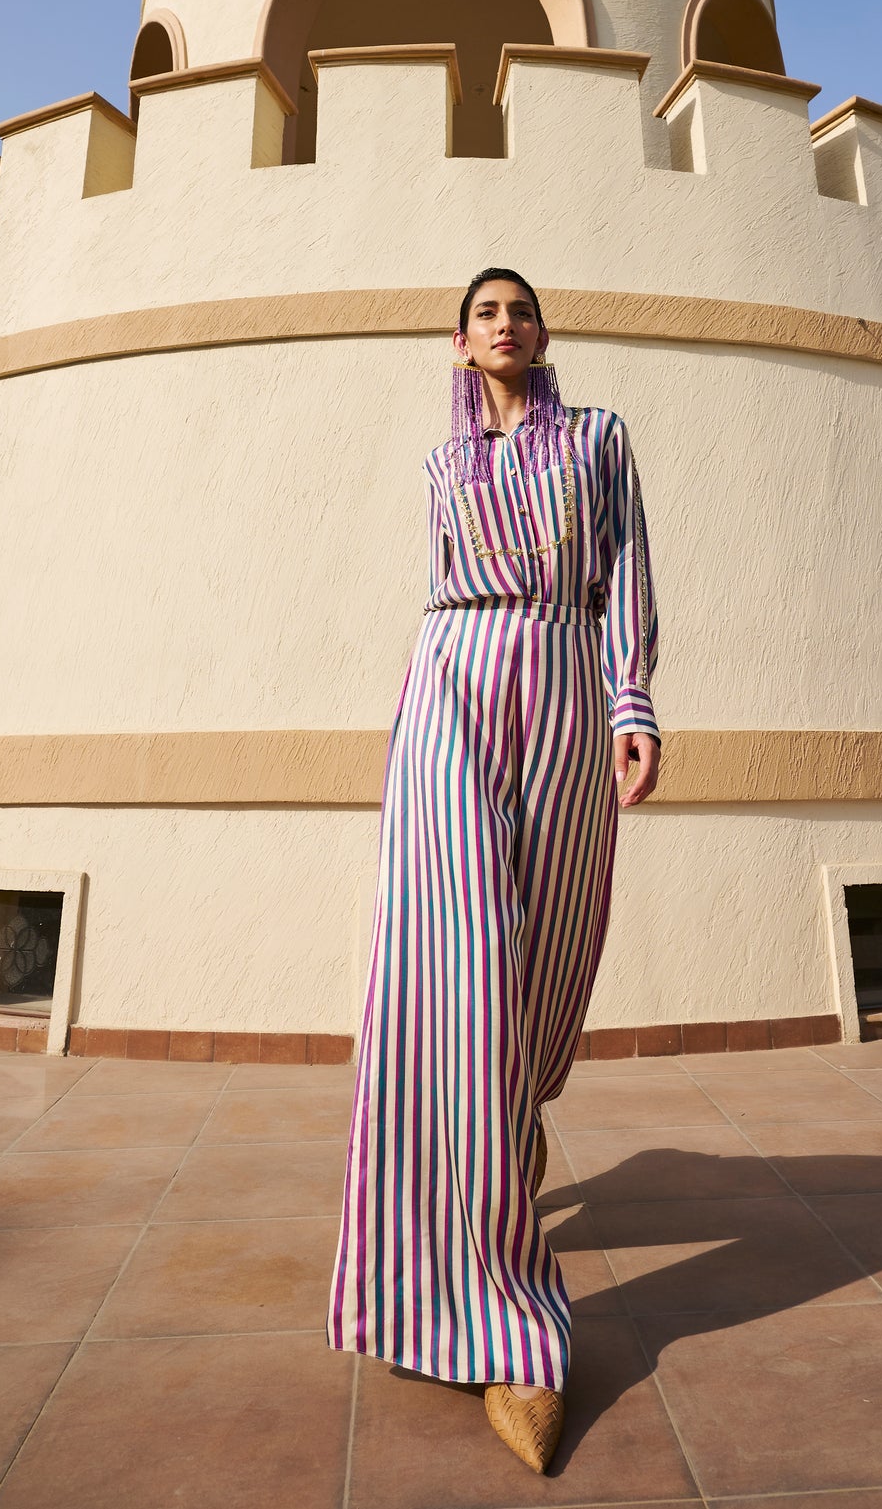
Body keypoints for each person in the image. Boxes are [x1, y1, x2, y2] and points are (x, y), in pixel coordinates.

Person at [328, 267, 660, 1473]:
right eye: (484, 313)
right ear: (459, 342)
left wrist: (633, 701)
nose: (504, 325)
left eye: (518, 309)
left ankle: (496, 1165)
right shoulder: (438, 468)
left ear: (541, 331)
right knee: (452, 977)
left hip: (568, 684)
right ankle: (502, 1321)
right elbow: (441, 593)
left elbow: (622, 572)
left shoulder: (601, 439)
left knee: (543, 981)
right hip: (453, 686)